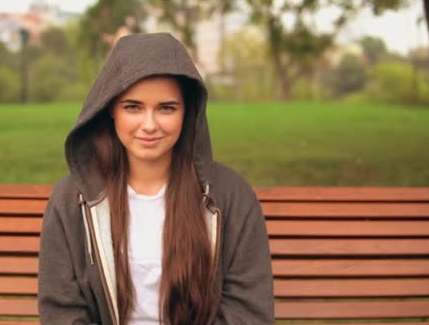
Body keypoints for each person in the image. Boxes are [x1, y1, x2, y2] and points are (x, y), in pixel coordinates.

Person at [38, 33, 274, 325]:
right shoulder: (72, 198)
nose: (149, 125)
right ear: (111, 109)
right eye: (133, 107)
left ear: (188, 112)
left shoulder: (231, 195)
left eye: (166, 108)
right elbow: (61, 311)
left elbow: (249, 311)